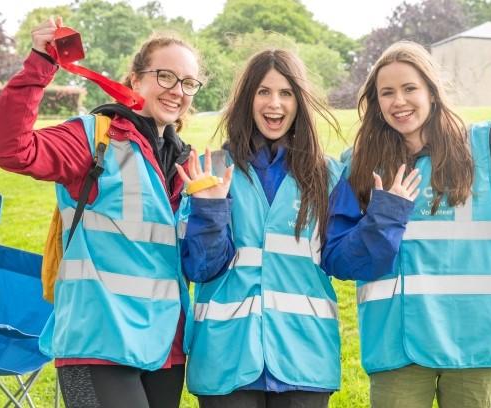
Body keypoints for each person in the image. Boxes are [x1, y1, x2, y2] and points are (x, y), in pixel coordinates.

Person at [321, 39, 491, 407]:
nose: (399, 101)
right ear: (376, 103)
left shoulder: (488, 145)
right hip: (398, 349)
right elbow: (340, 260)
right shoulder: (359, 165)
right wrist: (384, 215)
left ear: (432, 91)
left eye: (410, 88)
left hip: (478, 346)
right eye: (387, 93)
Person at [174, 48, 420, 408]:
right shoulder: (211, 170)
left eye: (286, 93)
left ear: (299, 102)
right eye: (264, 92)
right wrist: (210, 208)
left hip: (304, 358)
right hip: (226, 359)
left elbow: (348, 264)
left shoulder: (328, 175)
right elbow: (199, 267)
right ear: (247, 100)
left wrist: (385, 217)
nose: (275, 103)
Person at [0, 16, 205, 408]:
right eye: (166, 77)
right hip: (98, 342)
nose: (177, 90)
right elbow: (10, 149)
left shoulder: (184, 163)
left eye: (188, 83)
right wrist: (40, 62)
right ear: (136, 80)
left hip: (164, 349)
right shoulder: (94, 139)